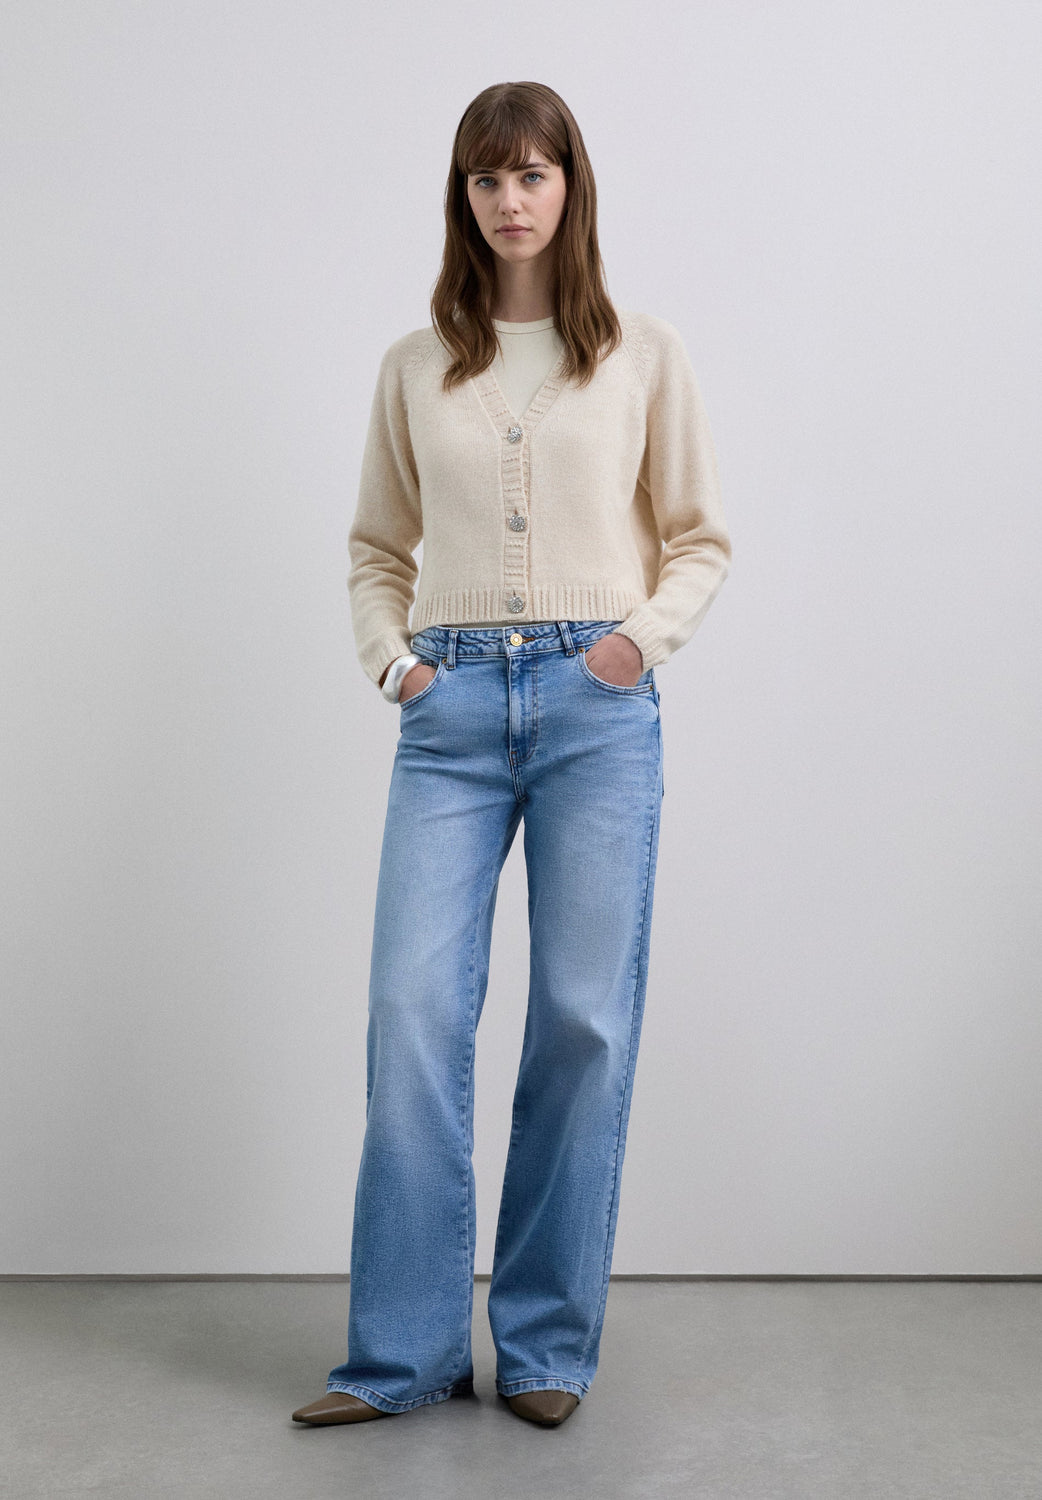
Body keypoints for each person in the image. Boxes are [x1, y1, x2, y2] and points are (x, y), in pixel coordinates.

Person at [292, 80, 731, 1431]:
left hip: (600, 709)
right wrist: (398, 666)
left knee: (584, 1023)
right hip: (452, 718)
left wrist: (634, 645)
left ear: (570, 187)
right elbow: (377, 550)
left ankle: (542, 1348)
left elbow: (699, 538)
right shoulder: (414, 365)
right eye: (488, 177)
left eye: (534, 173)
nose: (511, 199)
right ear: (463, 196)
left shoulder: (642, 354)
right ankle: (402, 1356)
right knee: (413, 1014)